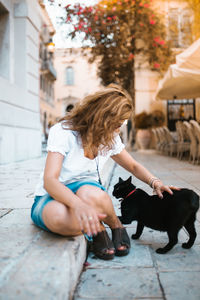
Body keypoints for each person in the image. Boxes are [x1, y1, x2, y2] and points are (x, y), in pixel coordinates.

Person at [31, 84, 178, 260]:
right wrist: (77, 204)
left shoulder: (110, 137)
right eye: (118, 123)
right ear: (102, 117)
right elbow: (50, 180)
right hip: (52, 195)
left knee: (92, 194)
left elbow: (133, 166)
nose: (119, 128)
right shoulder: (63, 131)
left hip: (87, 191)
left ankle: (116, 225)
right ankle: (98, 228)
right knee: (59, 218)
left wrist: (155, 182)